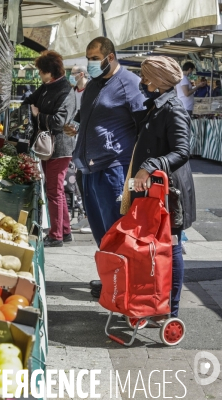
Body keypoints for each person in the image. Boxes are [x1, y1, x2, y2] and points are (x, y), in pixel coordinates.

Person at [64, 37, 147, 296]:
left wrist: (141, 167)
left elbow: (143, 126)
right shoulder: (94, 85)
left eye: (93, 58)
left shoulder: (130, 83)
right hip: (88, 167)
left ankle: (125, 286)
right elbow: (85, 114)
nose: (89, 63)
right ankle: (111, 277)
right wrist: (75, 125)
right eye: (87, 57)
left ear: (109, 57)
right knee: (101, 230)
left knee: (117, 228)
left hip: (115, 168)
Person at [126, 56, 196, 323]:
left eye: (145, 77)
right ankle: (152, 304)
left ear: (157, 80)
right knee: (152, 248)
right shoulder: (156, 107)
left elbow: (182, 151)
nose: (142, 82)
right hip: (152, 190)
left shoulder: (173, 109)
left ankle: (170, 311)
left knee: (172, 247)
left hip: (170, 193)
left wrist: (152, 164)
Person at [23, 51, 77, 247]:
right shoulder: (47, 87)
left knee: (54, 191)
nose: (39, 75)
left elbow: (58, 121)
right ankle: (64, 230)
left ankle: (56, 236)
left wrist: (38, 115)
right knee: (56, 191)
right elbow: (30, 101)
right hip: (48, 147)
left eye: (40, 72)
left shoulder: (65, 91)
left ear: (49, 71)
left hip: (59, 147)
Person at [68, 65, 92, 234]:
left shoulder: (91, 90)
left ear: (81, 74)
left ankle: (90, 218)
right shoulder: (73, 92)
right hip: (74, 139)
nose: (71, 76)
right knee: (78, 178)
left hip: (88, 142)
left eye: (73, 73)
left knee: (85, 177)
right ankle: (86, 215)